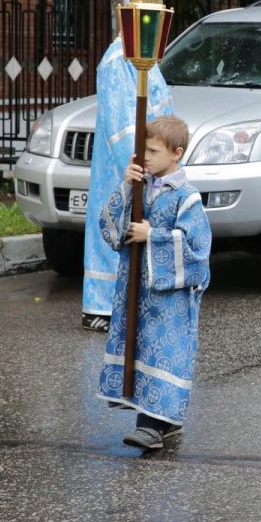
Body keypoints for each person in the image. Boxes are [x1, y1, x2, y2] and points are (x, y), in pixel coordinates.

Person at [96, 116, 210, 450]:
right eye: (143, 150)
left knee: (166, 353)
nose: (145, 157)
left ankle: (152, 426)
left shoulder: (187, 198)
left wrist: (153, 236)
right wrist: (125, 186)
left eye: (153, 151)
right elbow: (110, 227)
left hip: (169, 298)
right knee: (141, 346)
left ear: (177, 153)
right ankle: (166, 423)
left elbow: (198, 251)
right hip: (136, 289)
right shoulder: (140, 186)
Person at [81, 38, 174, 332]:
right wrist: (136, 162)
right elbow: (121, 122)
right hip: (122, 166)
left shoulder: (142, 55)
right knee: (115, 226)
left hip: (146, 158)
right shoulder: (116, 61)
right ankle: (100, 307)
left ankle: (128, 302)